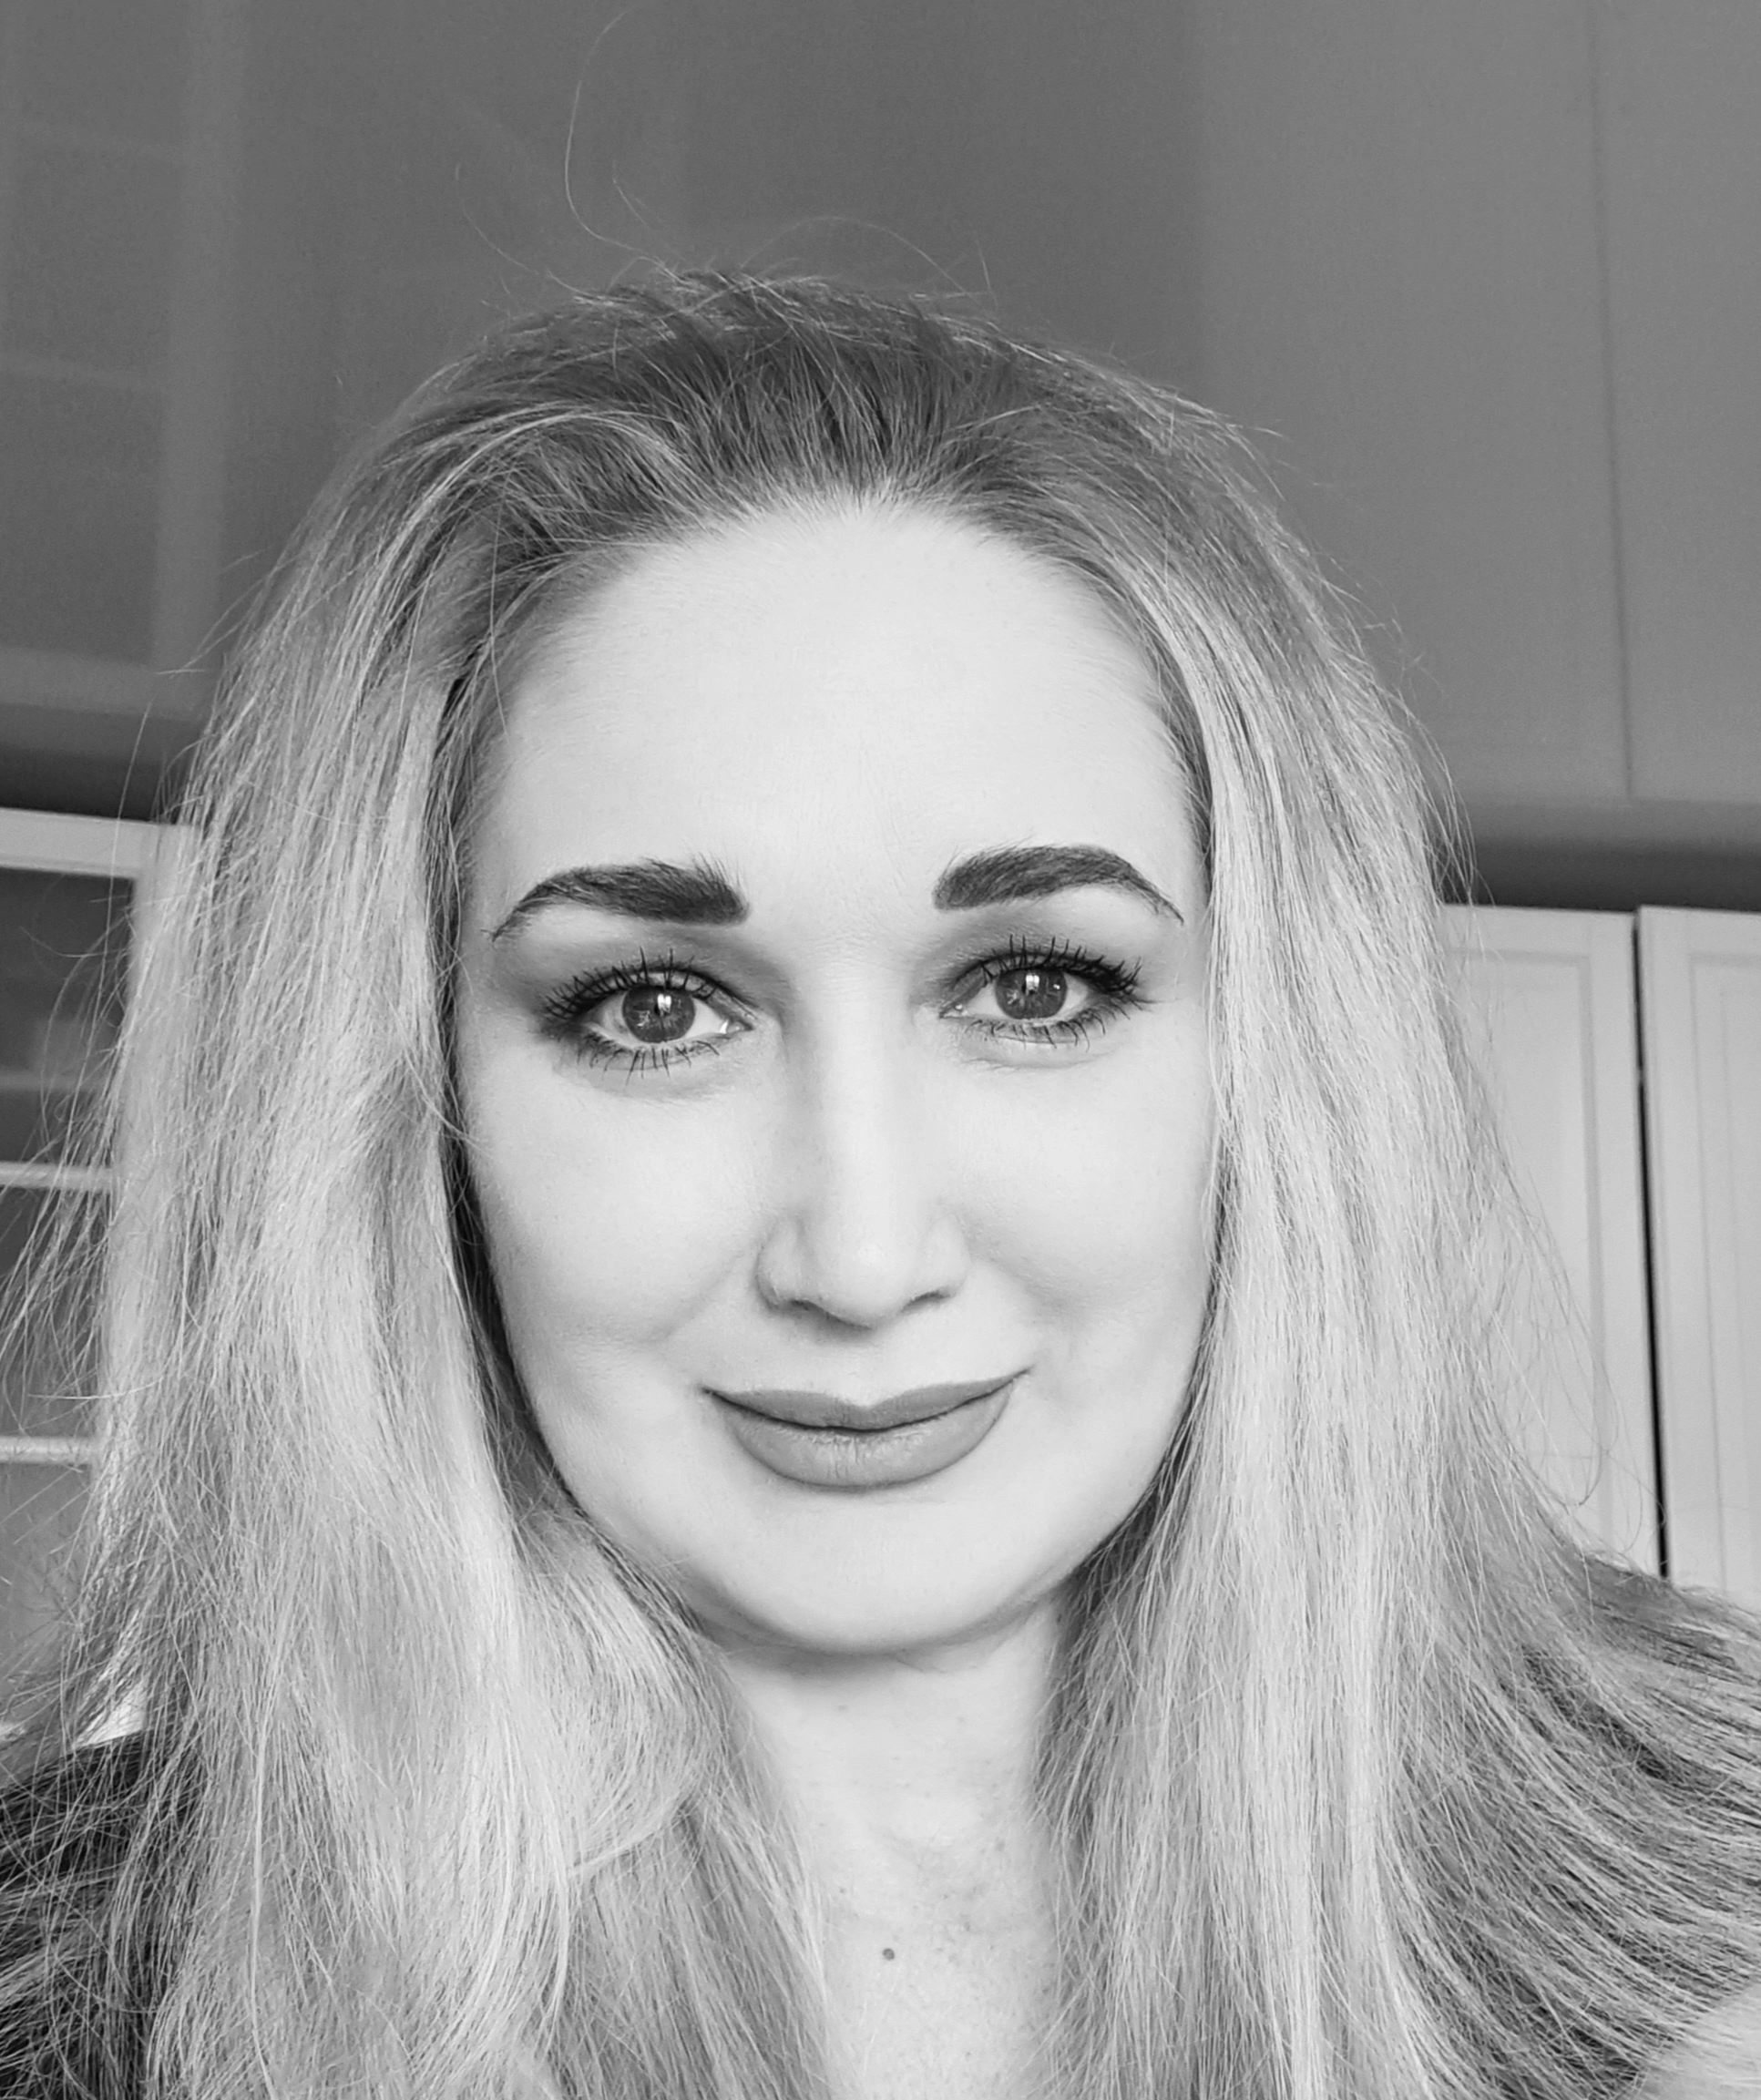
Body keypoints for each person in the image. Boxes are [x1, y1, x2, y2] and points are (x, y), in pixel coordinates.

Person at [0, 271, 1758, 2100]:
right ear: (411, 1105)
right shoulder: (70, 2002)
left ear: (1275, 1066)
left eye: (1036, 988)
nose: (859, 1256)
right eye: (654, 1008)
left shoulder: (1715, 1882)